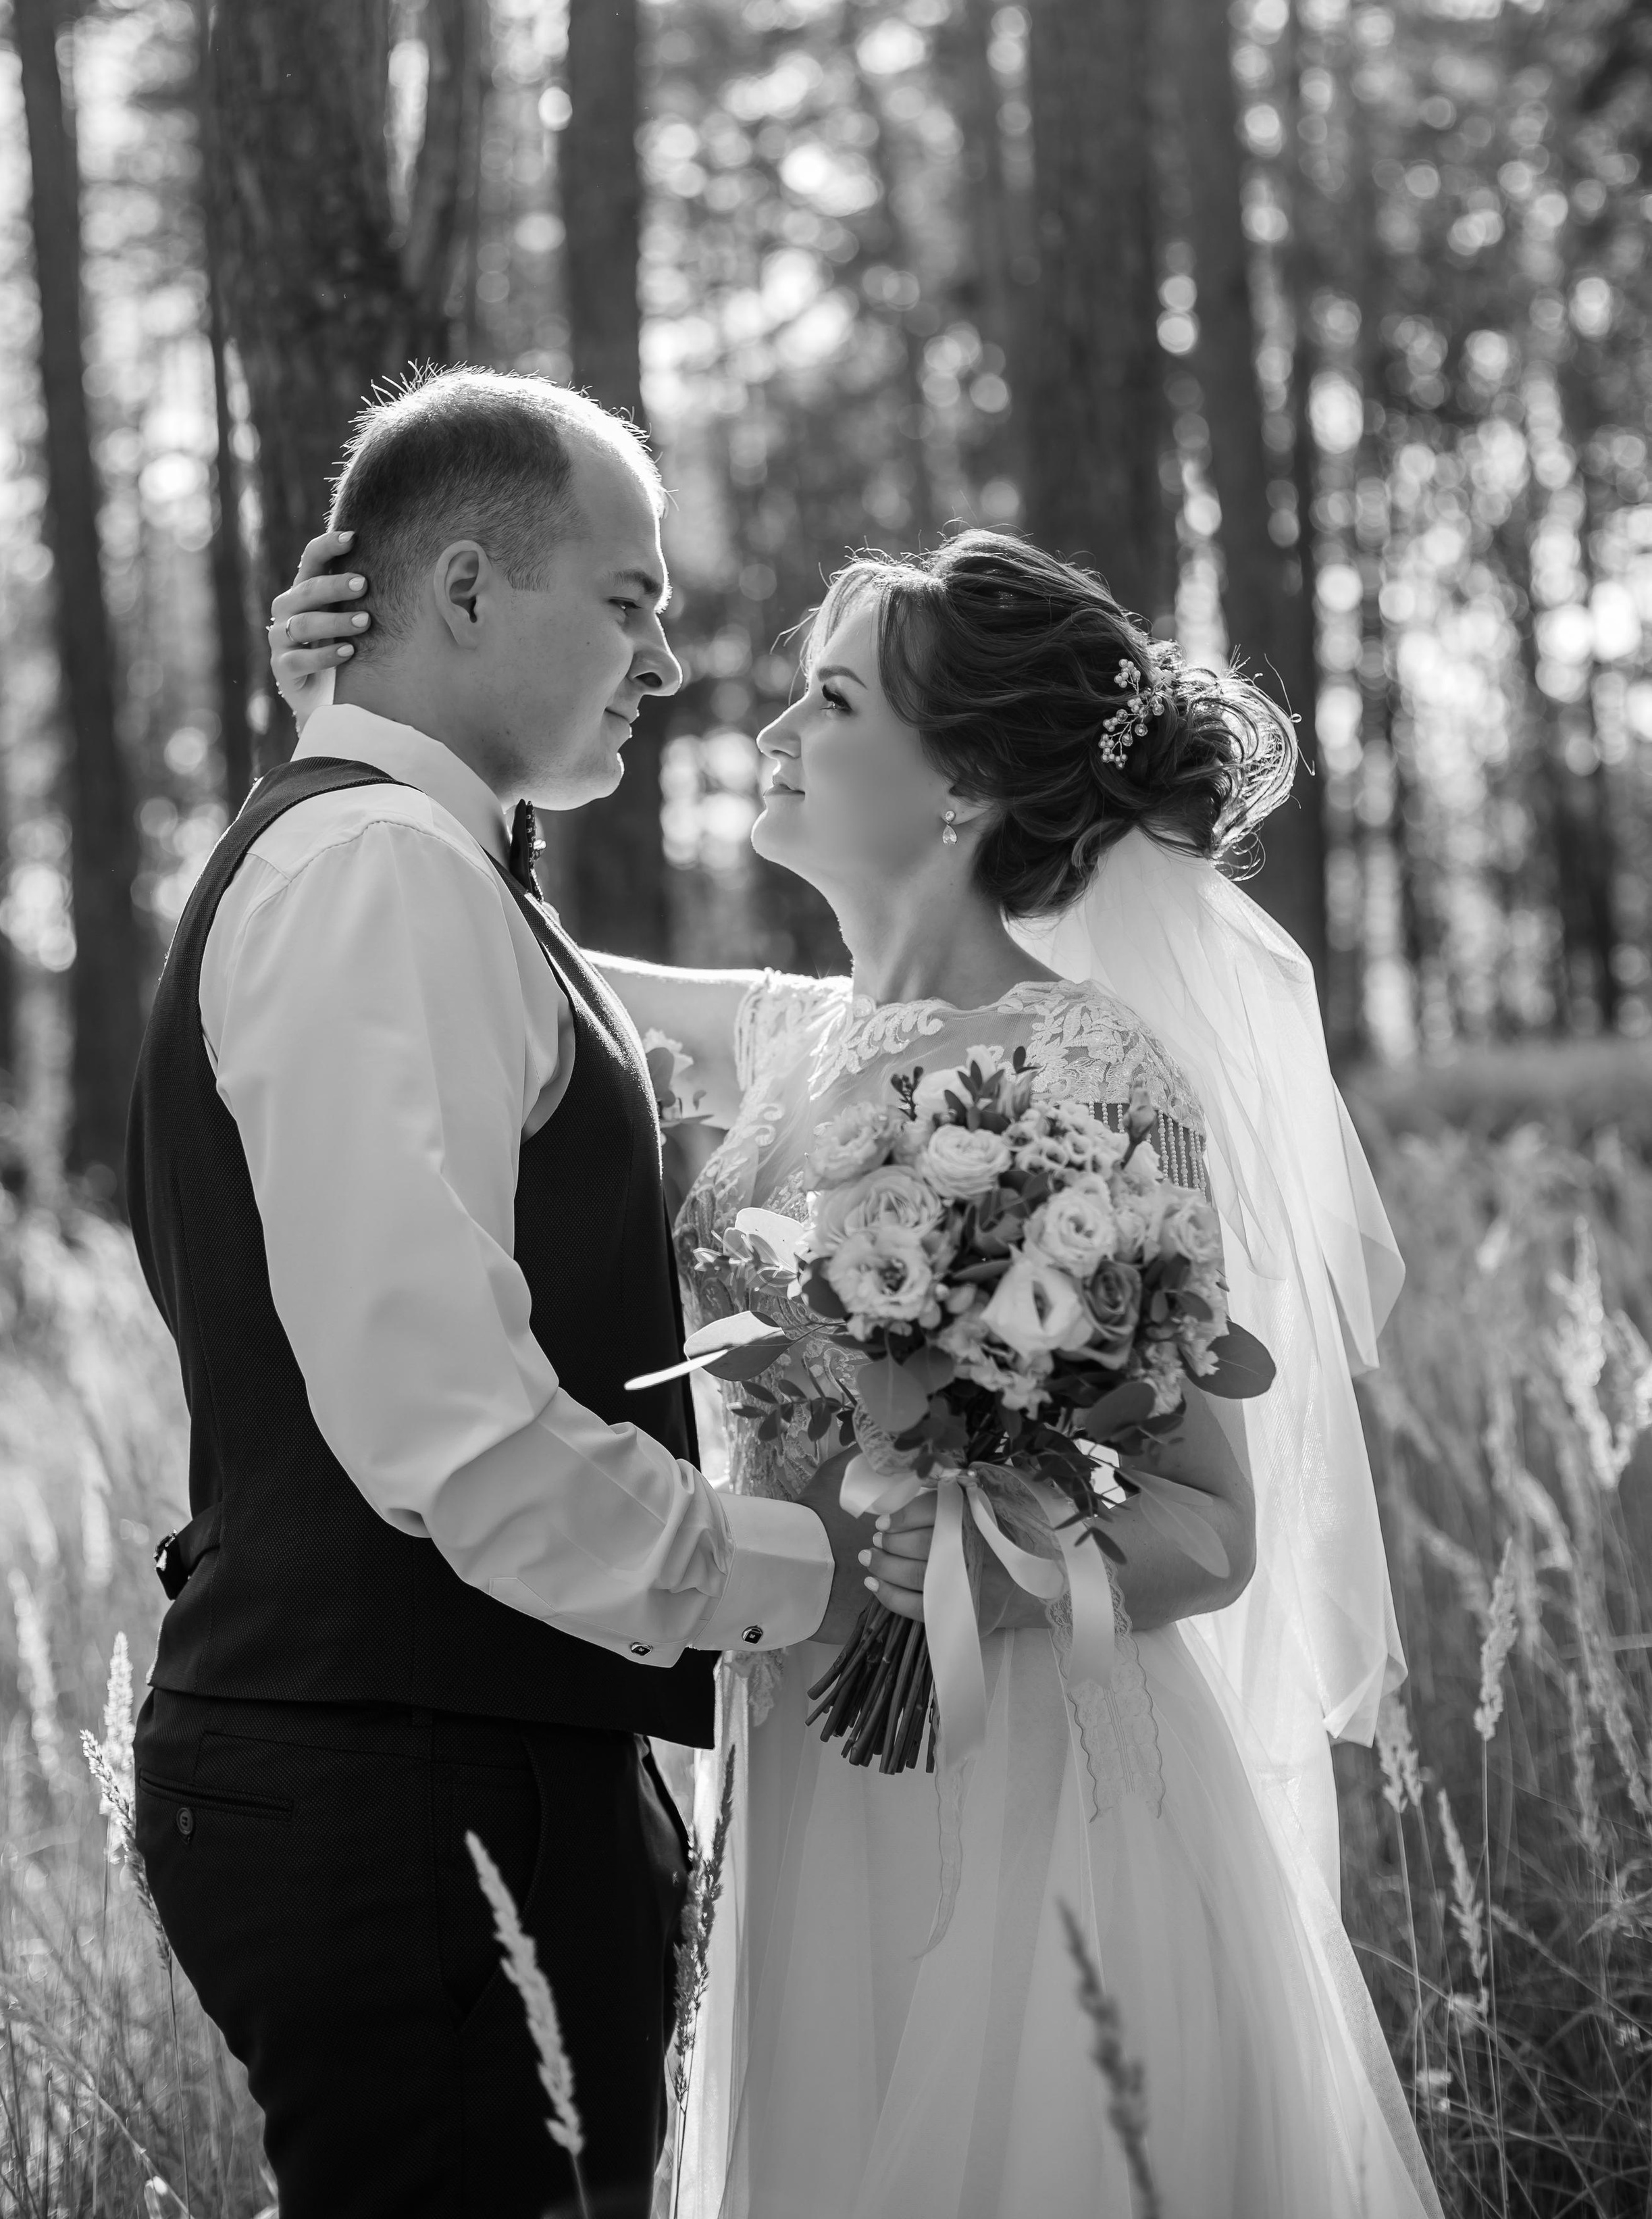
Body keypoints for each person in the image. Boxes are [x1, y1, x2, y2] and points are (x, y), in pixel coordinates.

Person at [271, 515, 1442, 2216]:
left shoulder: (1092, 1073)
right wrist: (355, 711)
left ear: (959, 784)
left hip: (1026, 1773)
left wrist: (993, 1567)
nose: (767, 731)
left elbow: (1210, 1524)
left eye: (827, 701)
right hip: (801, 1755)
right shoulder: (786, 1033)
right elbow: (454, 925)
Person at [128, 369, 879, 2219]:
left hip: (444, 1755)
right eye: (628, 603)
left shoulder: (416, 860)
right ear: (466, 590)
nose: (665, 663)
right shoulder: (380, 873)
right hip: (411, 1787)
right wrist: (815, 1580)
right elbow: (448, 1426)